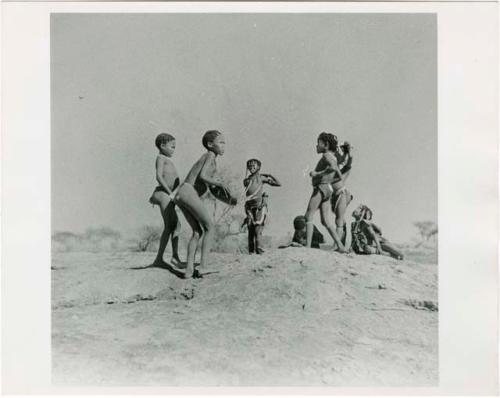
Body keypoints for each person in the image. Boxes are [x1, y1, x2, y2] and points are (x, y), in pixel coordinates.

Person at [174, 130, 236, 278]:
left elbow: (207, 183)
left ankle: (189, 270)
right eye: (221, 142)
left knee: (197, 232)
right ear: (210, 144)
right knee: (210, 227)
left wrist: (224, 195)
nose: (224, 146)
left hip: (181, 193)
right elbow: (203, 176)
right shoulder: (210, 155)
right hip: (189, 192)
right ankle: (203, 266)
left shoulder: (209, 158)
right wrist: (221, 184)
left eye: (224, 143)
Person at [304, 132, 346, 252]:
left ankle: (307, 246)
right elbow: (338, 174)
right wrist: (328, 178)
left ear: (326, 145)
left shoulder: (326, 156)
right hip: (328, 189)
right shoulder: (334, 157)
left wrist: (317, 174)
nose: (316, 146)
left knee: (308, 216)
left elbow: (332, 168)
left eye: (318, 143)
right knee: (325, 221)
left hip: (321, 188)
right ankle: (340, 245)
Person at [149, 133, 181, 266]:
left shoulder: (168, 160)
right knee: (170, 225)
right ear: (162, 146)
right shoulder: (161, 158)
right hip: (163, 194)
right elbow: (159, 177)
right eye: (172, 147)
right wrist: (170, 193)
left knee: (175, 225)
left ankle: (172, 257)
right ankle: (161, 259)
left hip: (169, 195)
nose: (174, 149)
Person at [242, 159, 281, 254]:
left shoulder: (261, 178)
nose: (251, 167)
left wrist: (269, 175)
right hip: (249, 208)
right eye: (249, 166)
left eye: (253, 166)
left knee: (257, 229)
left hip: (259, 207)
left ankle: (259, 250)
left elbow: (278, 183)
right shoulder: (247, 180)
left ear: (258, 167)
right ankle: (251, 251)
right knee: (250, 229)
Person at [331, 140, 354, 246]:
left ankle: (337, 245)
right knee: (340, 220)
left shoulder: (343, 169)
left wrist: (348, 151)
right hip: (334, 195)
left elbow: (349, 161)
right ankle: (340, 243)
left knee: (339, 220)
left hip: (341, 194)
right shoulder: (333, 167)